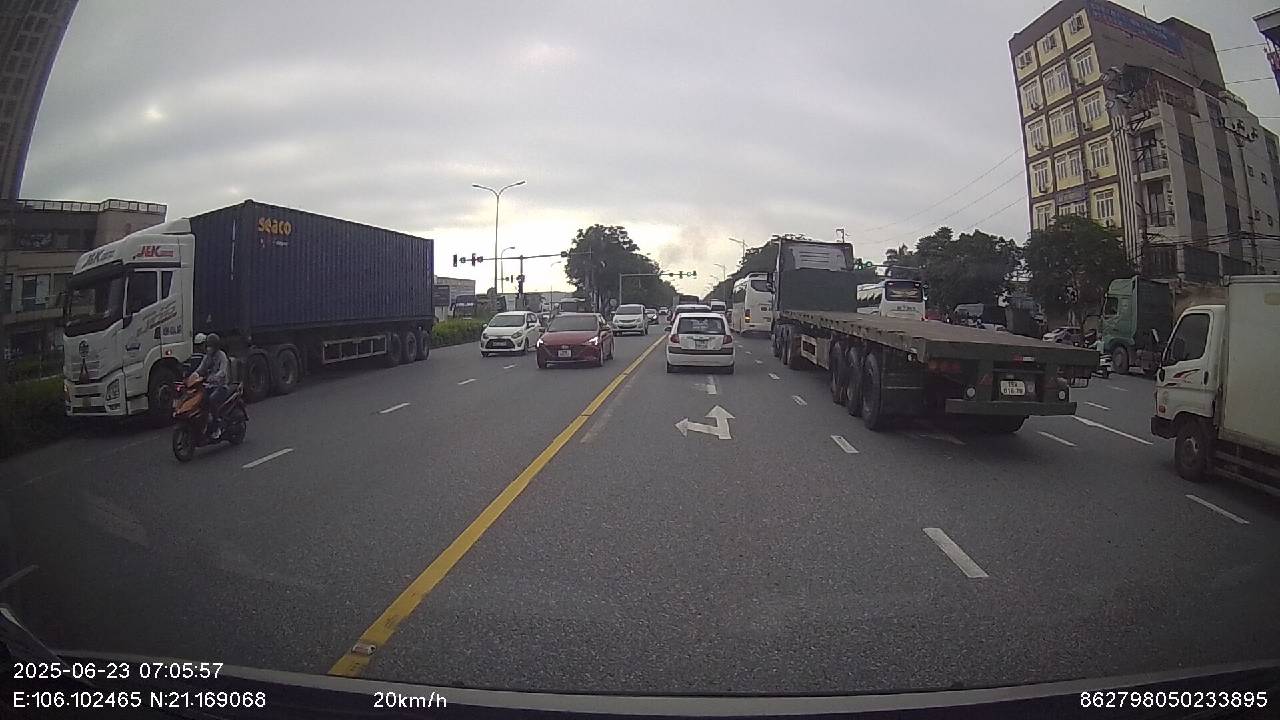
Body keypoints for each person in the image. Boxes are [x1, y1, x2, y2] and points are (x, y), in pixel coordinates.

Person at [190, 333, 230, 438]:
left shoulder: (222, 356)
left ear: (216, 347)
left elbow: (223, 371)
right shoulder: (207, 357)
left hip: (221, 386)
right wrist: (194, 375)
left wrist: (216, 377)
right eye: (207, 346)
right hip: (209, 386)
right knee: (199, 399)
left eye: (210, 346)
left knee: (212, 400)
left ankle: (216, 426)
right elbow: (201, 369)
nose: (208, 349)